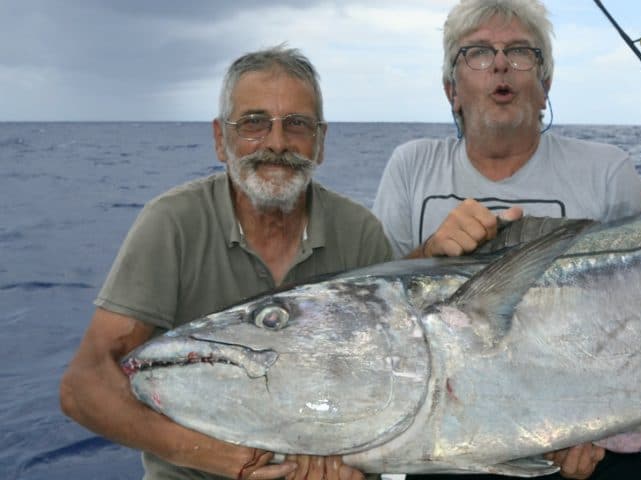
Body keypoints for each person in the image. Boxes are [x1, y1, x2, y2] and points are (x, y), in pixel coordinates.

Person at [59, 46, 393, 480]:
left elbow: (389, 381)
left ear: (321, 142)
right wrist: (209, 454)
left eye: (297, 124)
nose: (276, 143)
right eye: (254, 123)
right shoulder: (172, 224)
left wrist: (351, 460)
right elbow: (83, 386)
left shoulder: (361, 233)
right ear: (220, 139)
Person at [370, 1, 641, 479]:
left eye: (521, 52)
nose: (500, 64)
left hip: (569, 445)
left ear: (545, 88)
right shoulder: (411, 165)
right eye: (477, 52)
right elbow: (375, 316)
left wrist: (599, 422)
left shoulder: (607, 171)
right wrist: (427, 254)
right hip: (440, 456)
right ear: (451, 91)